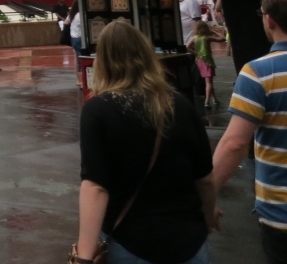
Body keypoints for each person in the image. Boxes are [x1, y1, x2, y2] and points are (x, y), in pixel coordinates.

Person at [74, 21, 215, 264]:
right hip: (188, 241)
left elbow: (96, 187)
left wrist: (84, 256)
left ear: (103, 61)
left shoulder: (98, 109)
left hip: (130, 243)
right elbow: (205, 178)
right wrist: (208, 215)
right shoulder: (179, 104)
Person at [212, 0, 287, 263]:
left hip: (285, 217)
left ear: (269, 20)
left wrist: (206, 196)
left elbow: (234, 144)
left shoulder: (259, 73)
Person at [185, 20, 219, 109]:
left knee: (208, 81)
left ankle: (214, 99)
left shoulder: (194, 38)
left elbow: (187, 47)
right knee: (209, 82)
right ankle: (207, 101)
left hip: (199, 60)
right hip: (207, 60)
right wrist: (214, 32)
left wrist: (195, 53)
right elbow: (223, 39)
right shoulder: (207, 38)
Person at [68, 1, 84, 88]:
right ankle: (82, 82)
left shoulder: (72, 15)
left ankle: (78, 80)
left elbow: (66, 22)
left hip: (73, 38)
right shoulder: (80, 15)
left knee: (77, 60)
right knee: (81, 60)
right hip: (79, 38)